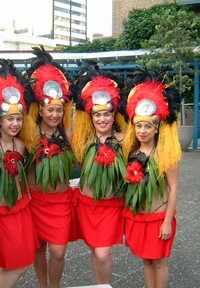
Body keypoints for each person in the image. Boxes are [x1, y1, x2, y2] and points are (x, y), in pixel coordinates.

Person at [0, 58, 40, 288]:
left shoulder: (21, 145)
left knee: (14, 262)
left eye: (18, 119)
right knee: (17, 264)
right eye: (10, 119)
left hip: (19, 209)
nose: (15, 123)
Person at [120, 68, 182, 288]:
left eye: (148, 126)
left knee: (158, 263)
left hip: (158, 219)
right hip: (138, 218)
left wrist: (167, 221)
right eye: (139, 126)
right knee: (145, 262)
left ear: (156, 128)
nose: (143, 130)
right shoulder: (131, 153)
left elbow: (174, 189)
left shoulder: (165, 153)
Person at [21, 45, 76, 288]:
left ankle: (54, 286)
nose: (54, 114)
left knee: (58, 252)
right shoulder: (28, 133)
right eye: (50, 109)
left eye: (58, 110)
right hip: (35, 201)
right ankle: (43, 286)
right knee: (37, 249)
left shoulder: (70, 135)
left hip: (60, 203)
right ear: (40, 109)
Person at [71, 64, 127, 285]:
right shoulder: (83, 141)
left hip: (111, 206)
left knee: (103, 253)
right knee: (95, 252)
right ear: (91, 116)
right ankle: (99, 284)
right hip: (87, 205)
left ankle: (106, 285)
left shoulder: (124, 140)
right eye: (97, 114)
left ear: (114, 116)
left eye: (106, 114)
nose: (102, 119)